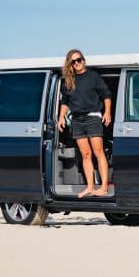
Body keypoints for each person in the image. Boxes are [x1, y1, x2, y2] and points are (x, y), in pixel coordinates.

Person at [57, 49, 113, 197]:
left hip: (93, 118)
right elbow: (65, 101)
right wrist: (61, 117)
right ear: (70, 64)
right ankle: (90, 187)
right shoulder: (69, 81)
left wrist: (107, 112)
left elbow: (106, 94)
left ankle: (104, 187)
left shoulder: (93, 76)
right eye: (73, 62)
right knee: (85, 154)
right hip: (76, 120)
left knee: (98, 152)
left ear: (83, 60)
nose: (77, 63)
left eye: (79, 60)